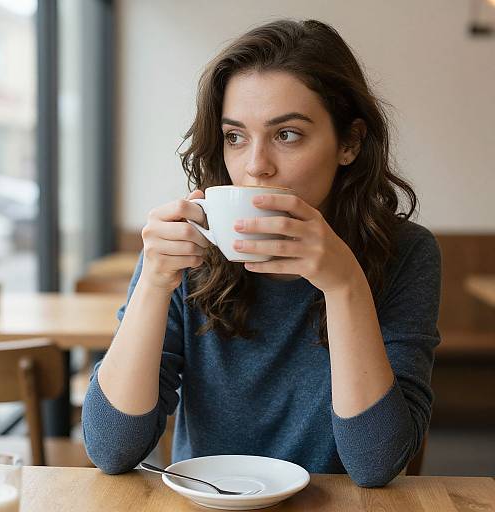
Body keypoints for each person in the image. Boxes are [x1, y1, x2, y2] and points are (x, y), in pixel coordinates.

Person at [82, 19, 441, 488]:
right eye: (235, 136)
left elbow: (376, 464)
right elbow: (112, 450)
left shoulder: (407, 254)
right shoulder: (190, 248)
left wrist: (344, 284)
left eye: (287, 134)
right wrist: (152, 282)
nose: (255, 166)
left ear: (349, 142)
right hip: (208, 504)